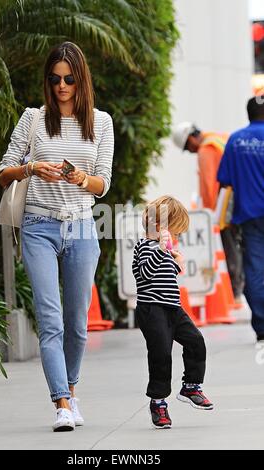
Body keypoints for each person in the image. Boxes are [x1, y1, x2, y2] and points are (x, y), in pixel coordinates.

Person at [0, 42, 114, 431]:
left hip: (81, 226)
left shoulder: (101, 122)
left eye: (69, 79)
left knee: (77, 324)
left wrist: (81, 177)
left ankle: (72, 391)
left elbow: (103, 185)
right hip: (38, 227)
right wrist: (32, 168)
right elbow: (4, 172)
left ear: (81, 80)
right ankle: (61, 404)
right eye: (54, 79)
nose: (62, 85)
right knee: (51, 321)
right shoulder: (33, 118)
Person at [132, 195, 213, 429]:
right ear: (159, 228)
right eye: (175, 233)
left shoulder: (164, 251)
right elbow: (145, 273)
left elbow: (164, 278)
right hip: (152, 310)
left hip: (172, 308)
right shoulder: (145, 247)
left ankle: (191, 385)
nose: (176, 239)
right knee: (161, 354)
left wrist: (176, 262)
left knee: (196, 341)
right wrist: (161, 250)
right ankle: (158, 402)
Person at [172, 122, 243, 305]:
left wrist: (211, 216)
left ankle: (235, 292)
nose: (191, 152)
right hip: (242, 200)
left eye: (188, 148)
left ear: (190, 139)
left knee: (228, 246)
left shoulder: (206, 150)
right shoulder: (219, 137)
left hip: (225, 206)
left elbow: (210, 185)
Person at [217, 95, 264, 343]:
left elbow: (224, 179)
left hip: (249, 215)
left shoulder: (235, 140)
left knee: (255, 268)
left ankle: (262, 325)